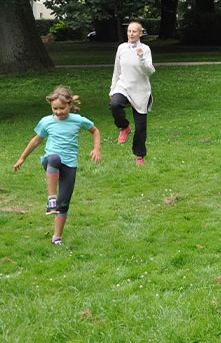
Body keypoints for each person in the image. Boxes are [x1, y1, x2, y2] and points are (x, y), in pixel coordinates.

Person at [13, 86, 102, 246]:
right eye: (55, 108)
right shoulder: (46, 122)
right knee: (54, 159)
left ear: (69, 105)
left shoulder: (78, 120)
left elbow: (95, 131)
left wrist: (96, 149)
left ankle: (56, 238)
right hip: (51, 161)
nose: (59, 112)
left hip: (70, 164)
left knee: (64, 204)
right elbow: (36, 140)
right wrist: (22, 158)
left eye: (62, 108)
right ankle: (51, 198)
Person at [109, 21, 155, 166]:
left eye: (134, 31)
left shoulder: (145, 49)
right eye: (129, 31)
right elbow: (117, 70)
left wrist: (141, 57)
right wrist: (112, 88)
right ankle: (124, 127)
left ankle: (139, 155)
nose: (131, 34)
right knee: (114, 105)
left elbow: (150, 71)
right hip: (123, 86)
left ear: (141, 33)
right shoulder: (121, 48)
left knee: (141, 127)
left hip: (140, 91)